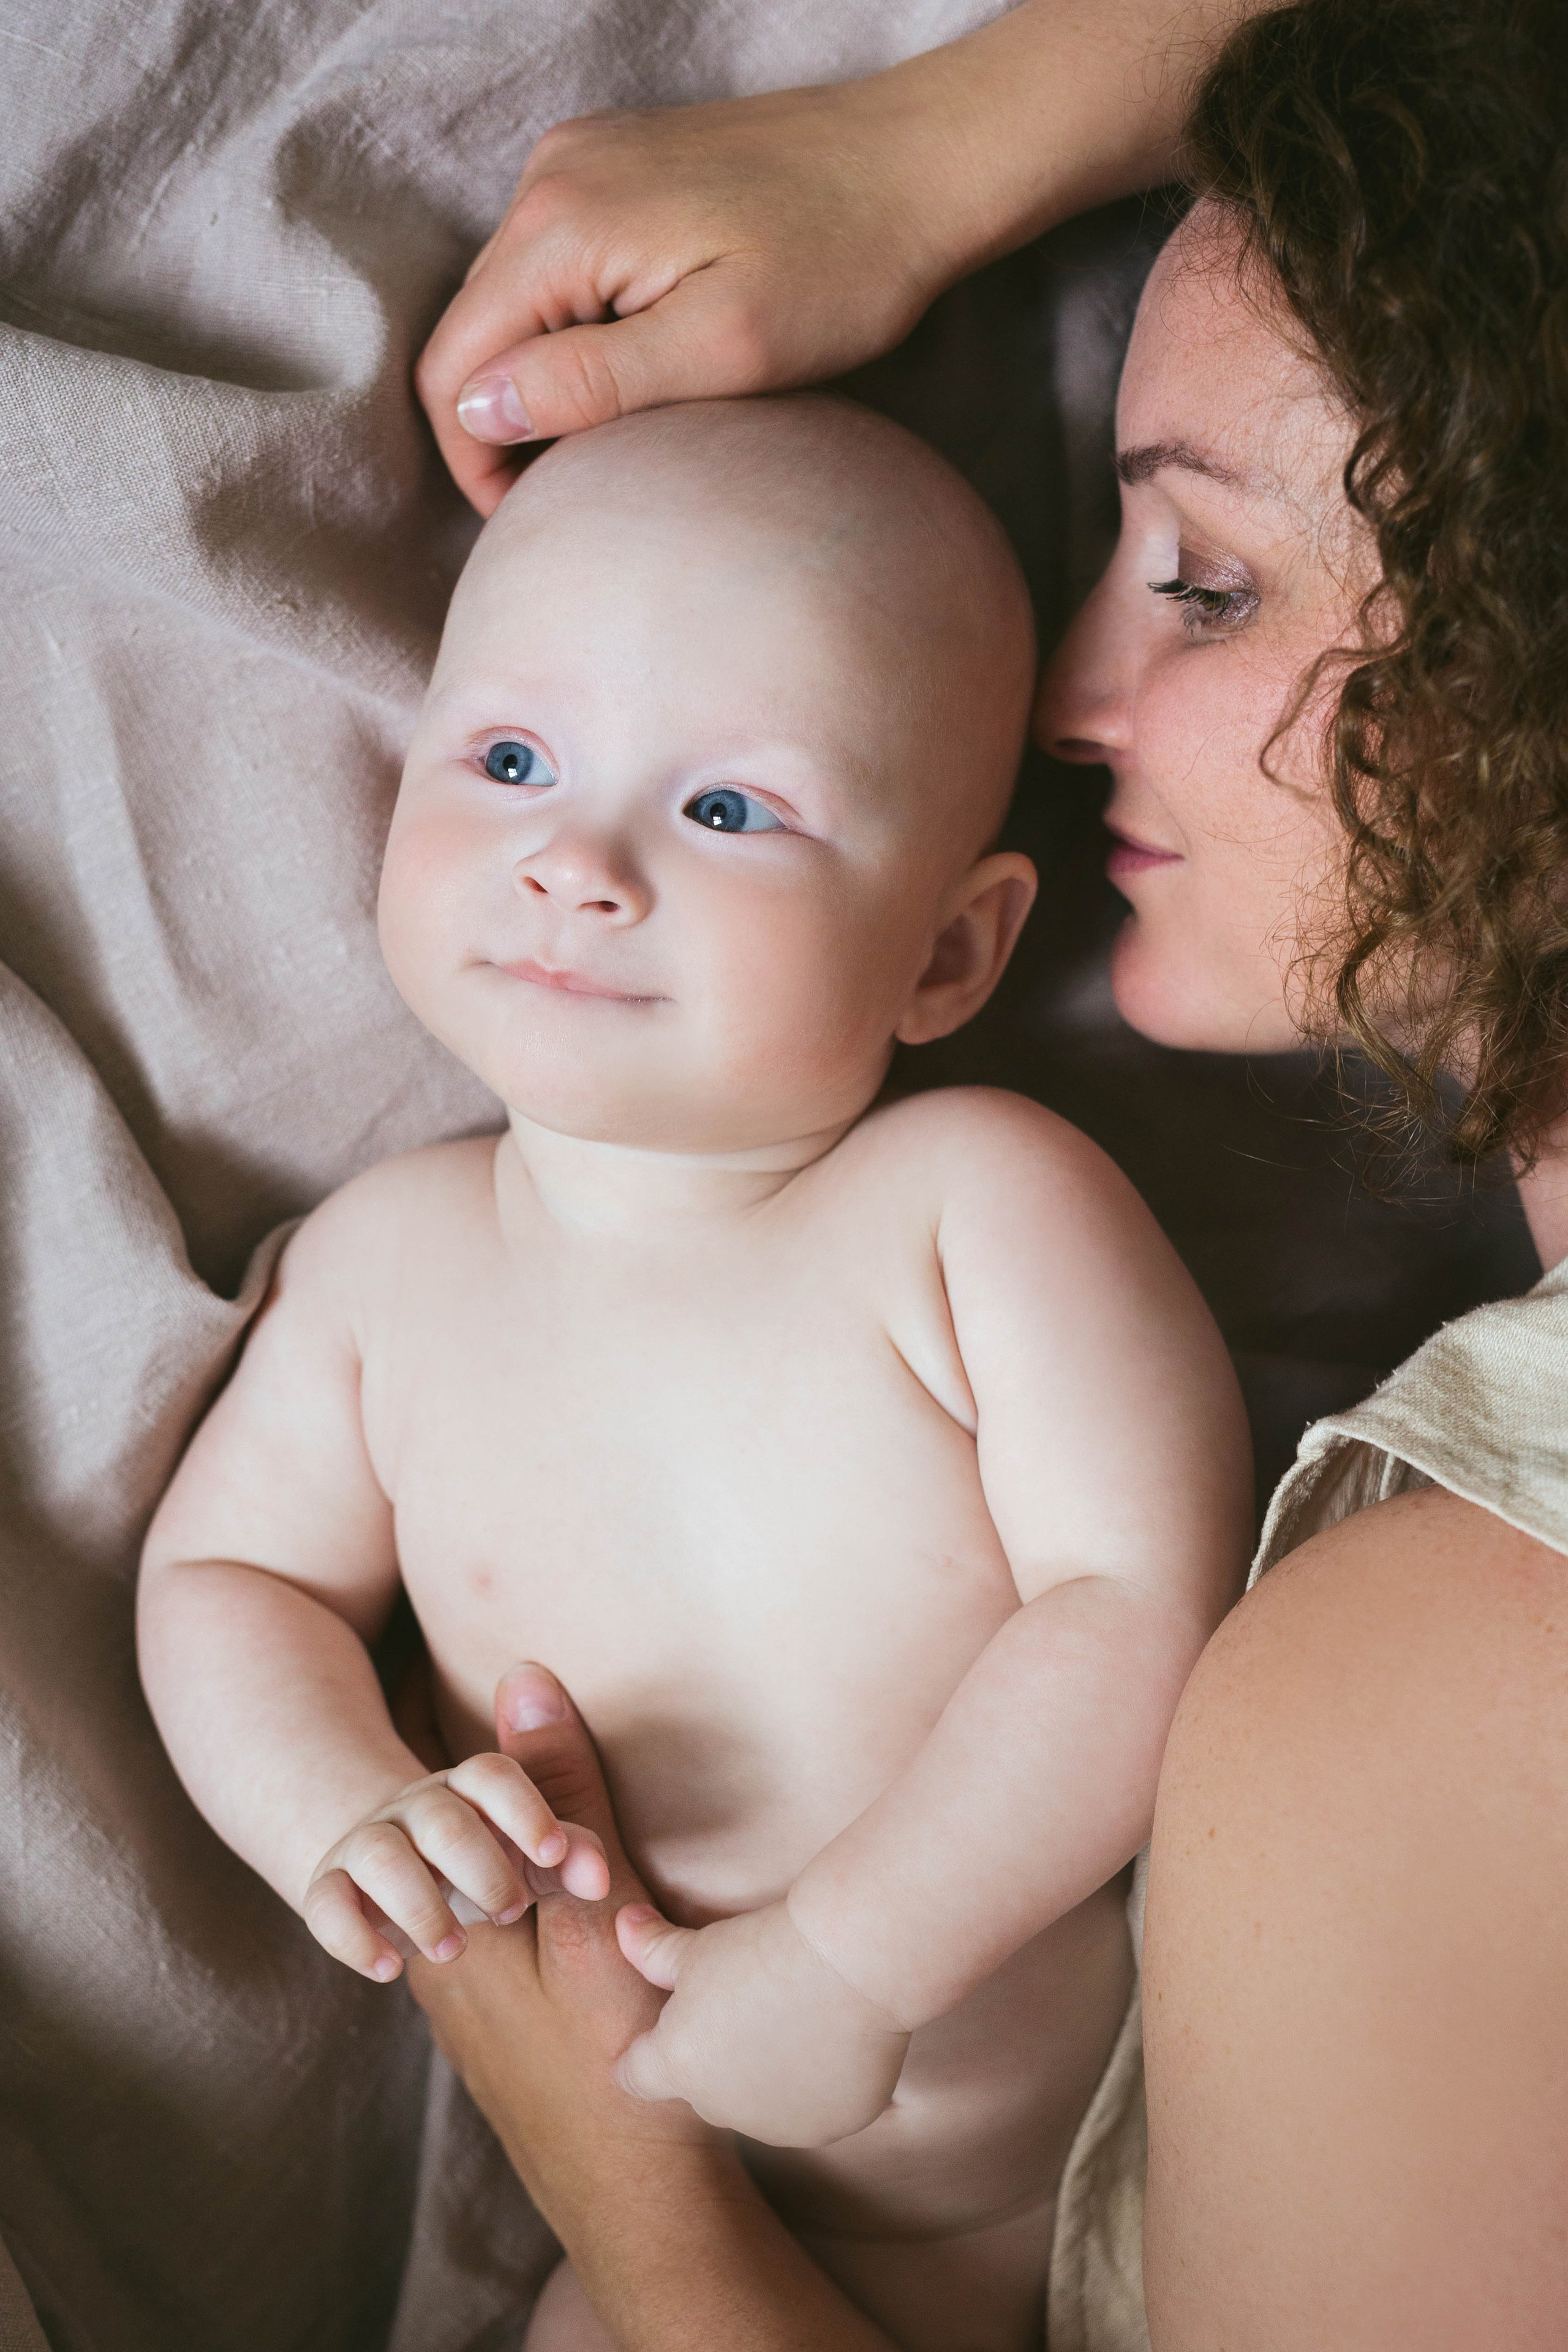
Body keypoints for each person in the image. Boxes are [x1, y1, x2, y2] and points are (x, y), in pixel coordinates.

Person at [398, 0, 1568, 2346]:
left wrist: (631, 2200)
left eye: (1207, 580)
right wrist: (914, 158)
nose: (1059, 701)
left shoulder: (1440, 1698)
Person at [136, 393, 1250, 2352]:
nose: (576, 862)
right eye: (508, 759)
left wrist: (854, 1957)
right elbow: (230, 1585)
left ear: (950, 958)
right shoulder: (386, 1266)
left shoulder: (971, 1208)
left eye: (728, 806)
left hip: (1103, 2181)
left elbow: (1146, 1603)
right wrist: (334, 1808)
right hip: (662, 2202)